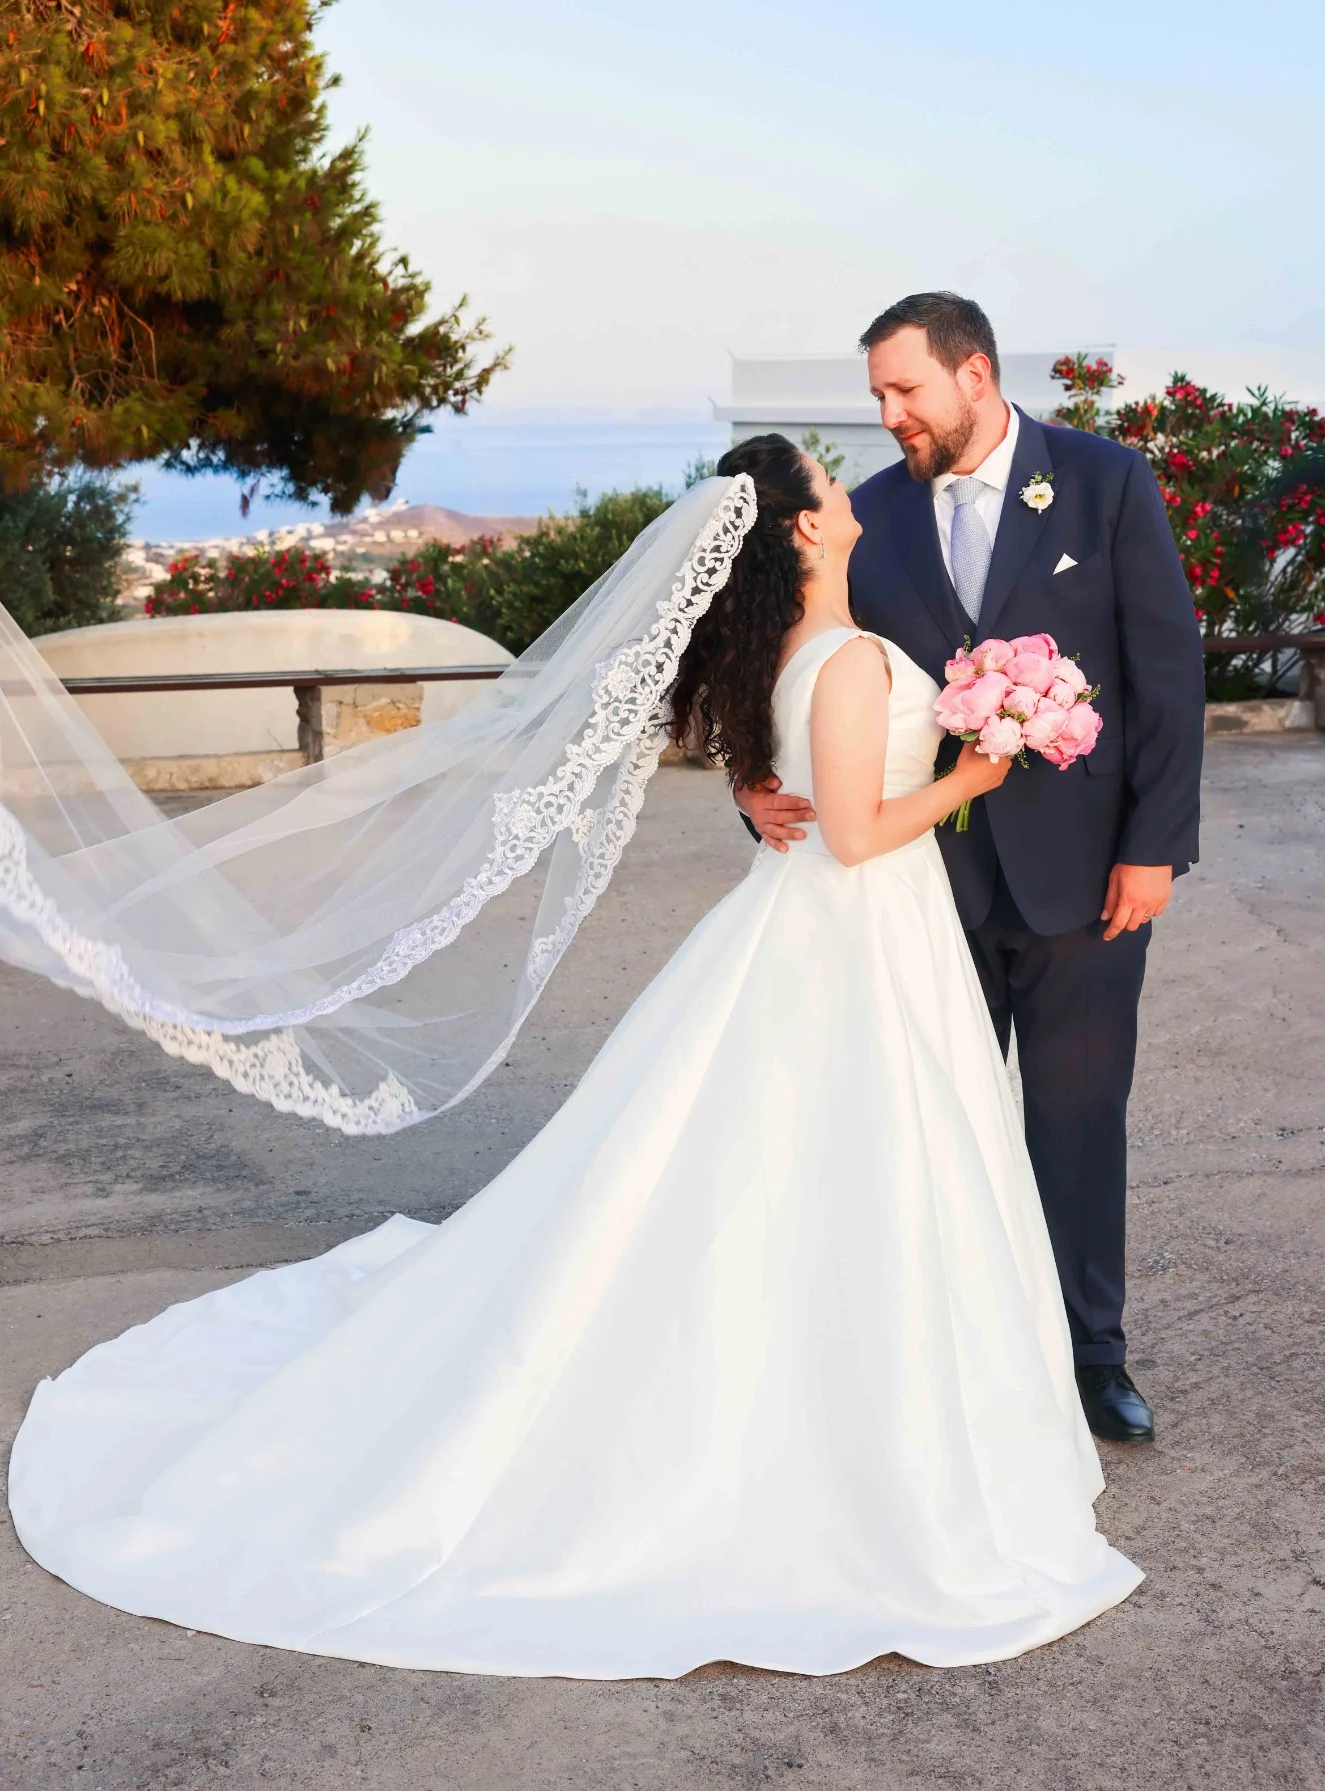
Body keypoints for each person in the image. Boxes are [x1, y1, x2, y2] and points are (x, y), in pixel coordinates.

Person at [10, 438, 1142, 1678]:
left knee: (783, 1155)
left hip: (824, 928)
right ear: (806, 531)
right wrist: (979, 763)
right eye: (824, 477)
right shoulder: (857, 656)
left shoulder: (783, 649)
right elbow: (863, 834)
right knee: (859, 1155)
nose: (844, 478)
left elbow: (792, 775)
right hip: (864, 922)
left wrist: (773, 788)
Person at [738, 295, 1206, 1442]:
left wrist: (1151, 849)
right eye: (875, 398)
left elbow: (1166, 677)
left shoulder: (1103, 483)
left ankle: (1090, 1355)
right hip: (914, 889)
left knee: (1077, 1117)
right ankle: (938, 1358)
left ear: (974, 375)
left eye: (904, 391)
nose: (887, 416)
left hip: (1086, 877)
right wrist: (753, 782)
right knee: (927, 1129)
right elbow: (775, 652)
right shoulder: (870, 517)